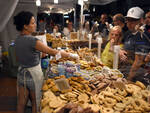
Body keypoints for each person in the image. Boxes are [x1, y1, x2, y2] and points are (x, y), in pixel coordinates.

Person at [13, 11, 79, 113]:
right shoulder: (32, 40)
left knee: (21, 103)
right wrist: (70, 55)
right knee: (36, 102)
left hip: (22, 74)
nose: (35, 25)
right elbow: (52, 52)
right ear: (25, 26)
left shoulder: (17, 39)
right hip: (33, 75)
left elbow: (22, 56)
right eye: (33, 23)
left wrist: (36, 54)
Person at [119, 7, 150, 81]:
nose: (129, 23)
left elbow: (138, 62)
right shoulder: (129, 33)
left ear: (141, 21)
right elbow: (125, 48)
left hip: (138, 76)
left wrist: (128, 79)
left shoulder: (142, 36)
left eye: (133, 20)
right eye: (128, 20)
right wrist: (121, 51)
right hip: (125, 71)